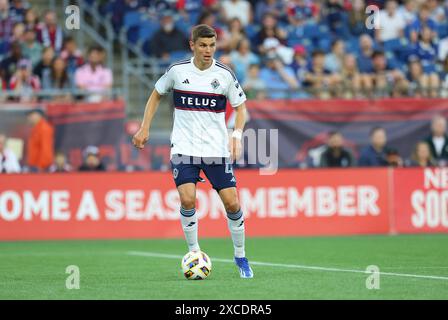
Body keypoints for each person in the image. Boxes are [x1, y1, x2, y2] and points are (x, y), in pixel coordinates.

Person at [132, 24, 253, 278]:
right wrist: (144, 128)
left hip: (216, 149)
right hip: (184, 147)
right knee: (188, 199)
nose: (208, 50)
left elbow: (241, 108)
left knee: (232, 204)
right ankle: (194, 253)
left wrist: (236, 135)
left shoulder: (225, 75)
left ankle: (241, 256)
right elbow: (156, 95)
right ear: (192, 45)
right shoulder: (177, 71)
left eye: (212, 45)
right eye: (203, 45)